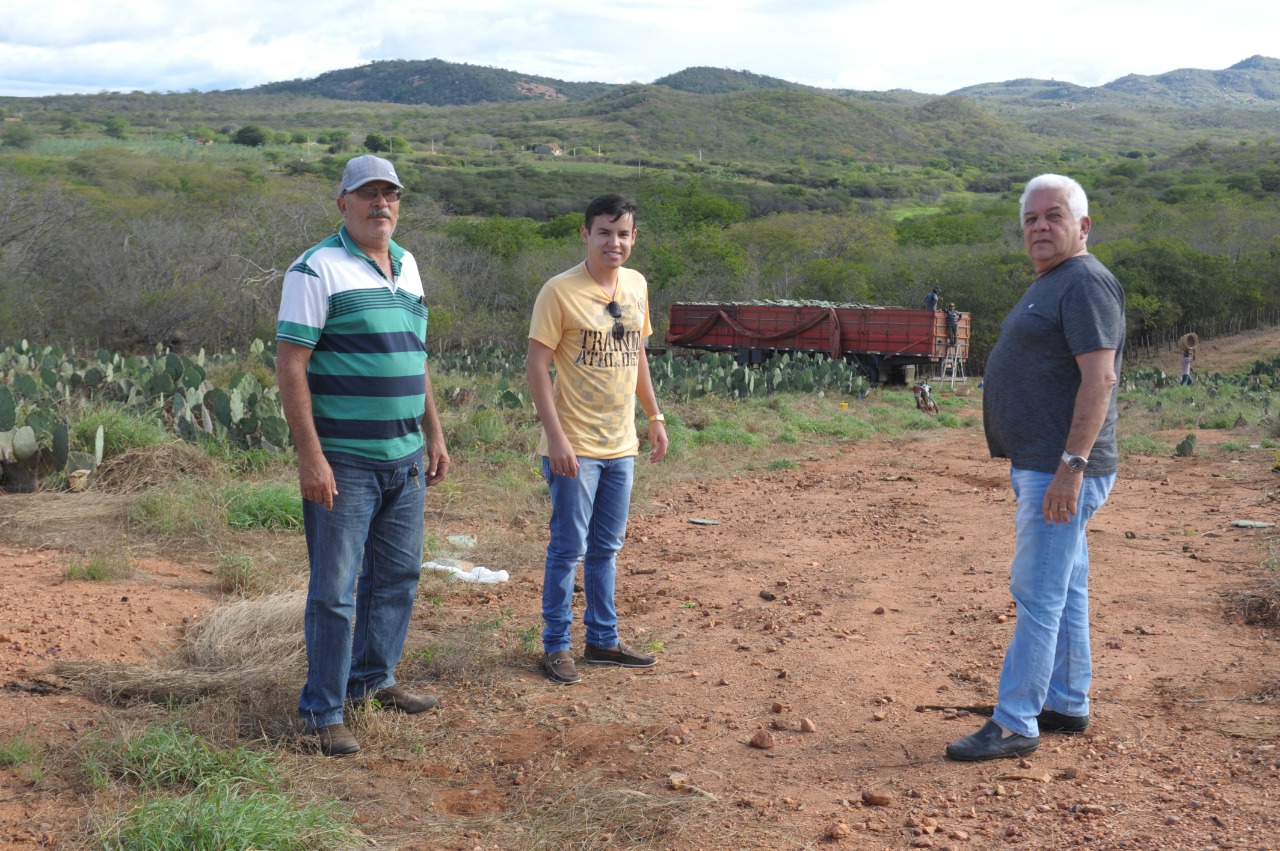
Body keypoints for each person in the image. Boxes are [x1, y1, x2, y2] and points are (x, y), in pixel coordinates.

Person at [946, 174, 1125, 761]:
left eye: (1054, 215)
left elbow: (1100, 378)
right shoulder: (1055, 281)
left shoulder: (1086, 282)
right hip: (1046, 464)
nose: (1040, 227)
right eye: (1031, 218)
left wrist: (1070, 468)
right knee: (1065, 586)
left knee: (1037, 592)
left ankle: (1015, 722)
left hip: (1060, 468)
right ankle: (1067, 702)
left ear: (1083, 225)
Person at [277, 154, 451, 756]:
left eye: (390, 194)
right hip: (344, 460)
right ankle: (322, 712)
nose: (381, 204)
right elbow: (291, 365)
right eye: (368, 193)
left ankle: (372, 680)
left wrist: (434, 433)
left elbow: (415, 355)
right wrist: (311, 457)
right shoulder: (314, 268)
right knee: (334, 589)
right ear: (343, 203)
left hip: (405, 456)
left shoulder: (408, 265)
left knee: (397, 576)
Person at [526, 193, 669, 686]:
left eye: (623, 233)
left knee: (607, 547)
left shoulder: (636, 284)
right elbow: (536, 366)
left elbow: (638, 354)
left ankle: (603, 641)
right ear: (586, 234)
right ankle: (556, 646)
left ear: (634, 238)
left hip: (621, 444)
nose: (615, 242)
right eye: (605, 232)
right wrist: (556, 438)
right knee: (569, 548)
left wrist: (654, 415)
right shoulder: (559, 291)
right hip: (575, 446)